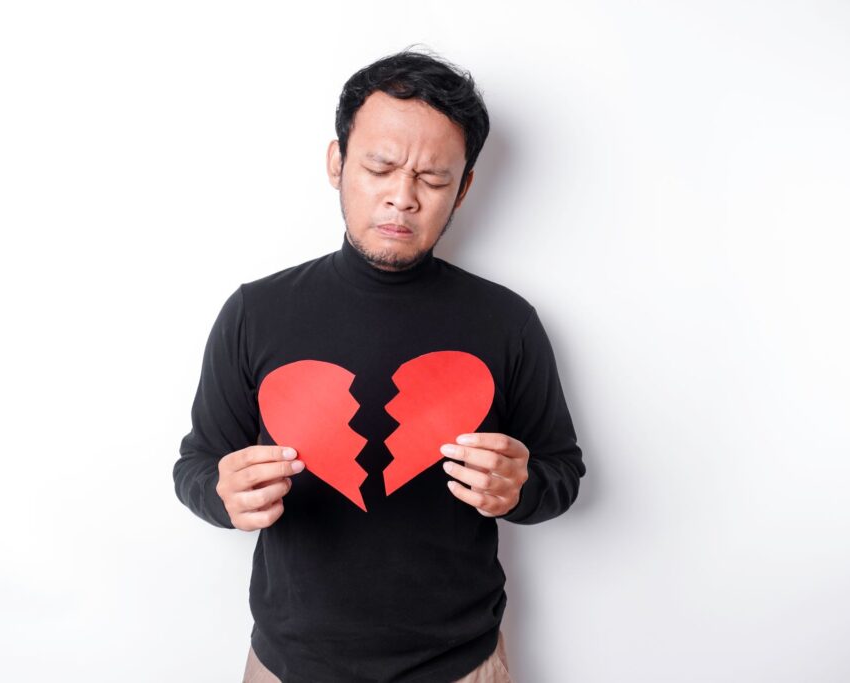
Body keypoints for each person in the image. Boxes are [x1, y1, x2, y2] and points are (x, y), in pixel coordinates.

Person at [173, 48, 586, 683]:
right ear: (337, 162)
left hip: (461, 666)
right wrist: (221, 495)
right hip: (289, 665)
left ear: (465, 187)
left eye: (434, 178)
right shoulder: (255, 312)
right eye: (380, 166)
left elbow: (561, 475)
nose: (403, 198)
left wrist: (521, 488)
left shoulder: (508, 323)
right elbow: (198, 465)